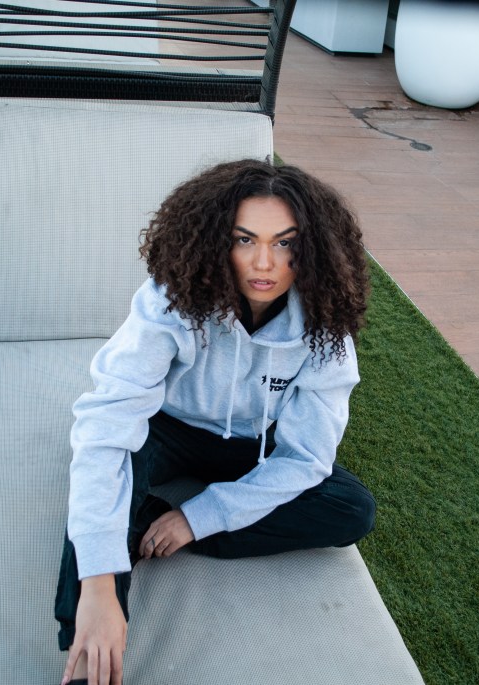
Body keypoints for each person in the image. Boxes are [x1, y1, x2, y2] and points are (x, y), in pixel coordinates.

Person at [55, 159, 376, 685]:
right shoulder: (173, 300)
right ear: (216, 241)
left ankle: (145, 524)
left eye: (286, 243)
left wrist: (195, 518)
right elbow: (108, 422)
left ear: (313, 248)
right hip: (166, 428)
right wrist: (97, 583)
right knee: (111, 479)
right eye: (244, 240)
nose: (264, 263)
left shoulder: (325, 328)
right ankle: (89, 659)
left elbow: (307, 457)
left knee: (351, 509)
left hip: (250, 443)